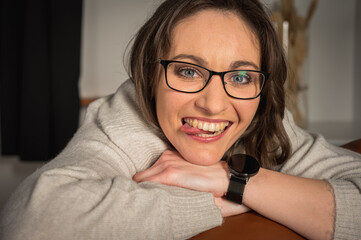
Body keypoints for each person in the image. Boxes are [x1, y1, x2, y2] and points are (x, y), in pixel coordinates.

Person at [1, 0, 361, 239]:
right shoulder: (125, 118)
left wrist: (230, 180)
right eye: (188, 71)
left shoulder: (262, 116)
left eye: (240, 77)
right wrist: (220, 203)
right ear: (150, 75)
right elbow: (31, 222)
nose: (213, 104)